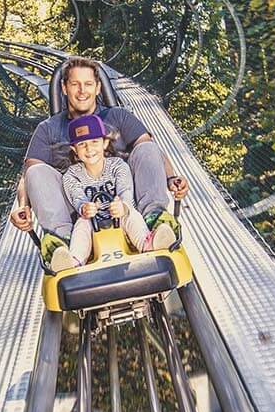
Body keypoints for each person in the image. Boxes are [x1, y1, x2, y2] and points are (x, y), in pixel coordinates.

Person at [12, 56, 188, 271]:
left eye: (88, 84)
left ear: (97, 88)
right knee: (36, 171)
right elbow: (27, 175)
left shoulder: (119, 116)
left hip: (125, 201)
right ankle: (63, 246)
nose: (82, 91)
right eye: (75, 84)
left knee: (147, 146)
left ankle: (155, 223)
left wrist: (171, 177)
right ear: (64, 88)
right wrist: (22, 207)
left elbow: (151, 151)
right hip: (77, 211)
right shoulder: (48, 129)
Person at [62, 113, 151, 263]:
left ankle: (148, 244)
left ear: (104, 143)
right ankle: (73, 260)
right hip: (93, 225)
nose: (89, 149)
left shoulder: (118, 166)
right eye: (82, 144)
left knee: (132, 216)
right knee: (82, 225)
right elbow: (76, 196)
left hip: (120, 218)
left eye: (94, 142)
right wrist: (84, 208)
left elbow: (126, 191)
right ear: (74, 149)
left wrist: (122, 206)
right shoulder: (71, 175)